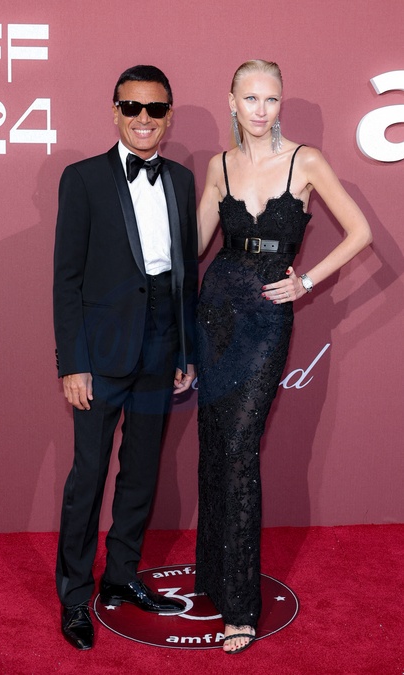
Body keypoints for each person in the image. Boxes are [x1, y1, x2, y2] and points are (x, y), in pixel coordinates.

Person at [195, 59, 372, 655]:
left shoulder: (306, 161)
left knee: (240, 448)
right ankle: (214, 578)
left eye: (271, 99)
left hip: (266, 318)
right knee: (215, 446)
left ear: (280, 103)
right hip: (215, 311)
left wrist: (307, 281)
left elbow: (361, 232)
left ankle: (241, 607)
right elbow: (194, 245)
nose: (261, 110)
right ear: (232, 102)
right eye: (250, 98)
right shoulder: (218, 167)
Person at [53, 64, 198, 650]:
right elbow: (66, 280)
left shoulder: (182, 180)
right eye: (132, 107)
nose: (143, 119)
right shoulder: (83, 178)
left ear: (168, 115)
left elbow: (185, 272)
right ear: (115, 112)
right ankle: (73, 596)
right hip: (100, 352)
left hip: (161, 346)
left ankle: (120, 575)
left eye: (155, 109)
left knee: (140, 472)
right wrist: (72, 362)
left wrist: (185, 347)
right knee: (88, 476)